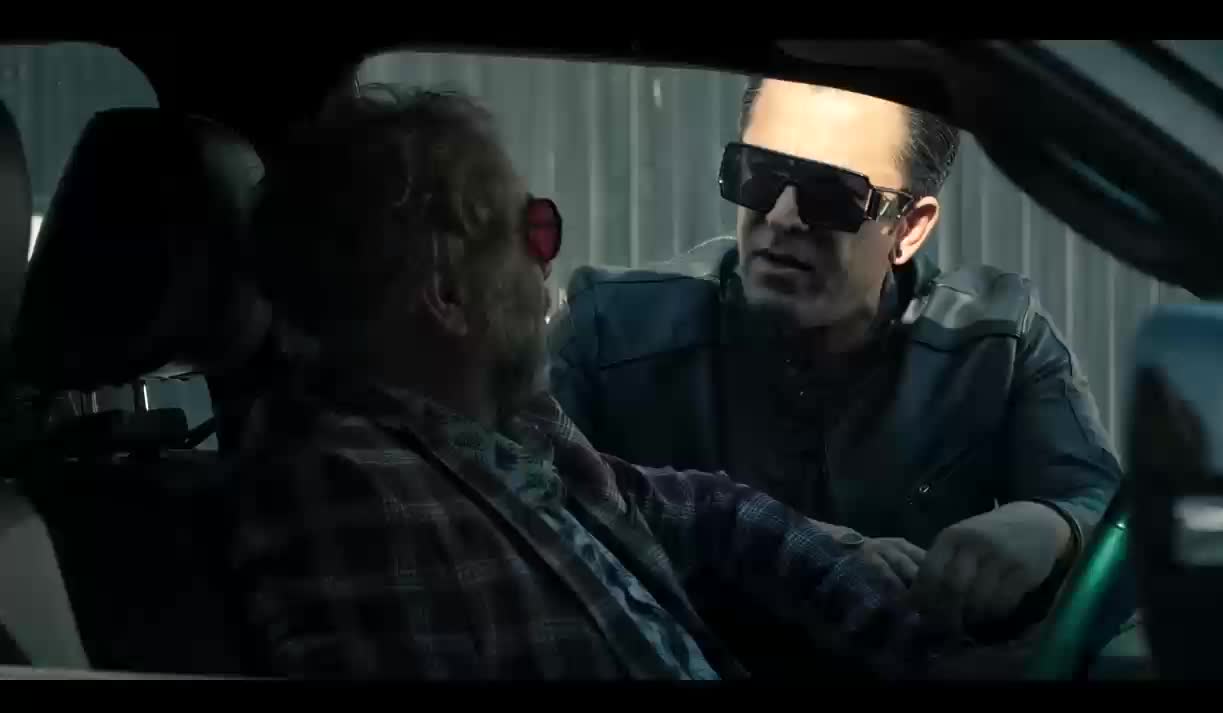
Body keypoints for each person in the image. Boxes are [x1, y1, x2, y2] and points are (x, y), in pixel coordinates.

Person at [230, 84, 1026, 681]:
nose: (548, 262)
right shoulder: (347, 490)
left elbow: (708, 512)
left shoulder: (504, 432)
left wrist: (907, 629)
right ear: (447, 294)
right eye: (532, 229)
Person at [548, 77, 1125, 657]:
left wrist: (1051, 529)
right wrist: (801, 547)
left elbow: (1108, 511)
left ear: (909, 228)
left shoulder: (995, 340)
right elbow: (528, 500)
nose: (782, 216)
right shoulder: (610, 329)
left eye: (830, 195)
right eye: (759, 175)